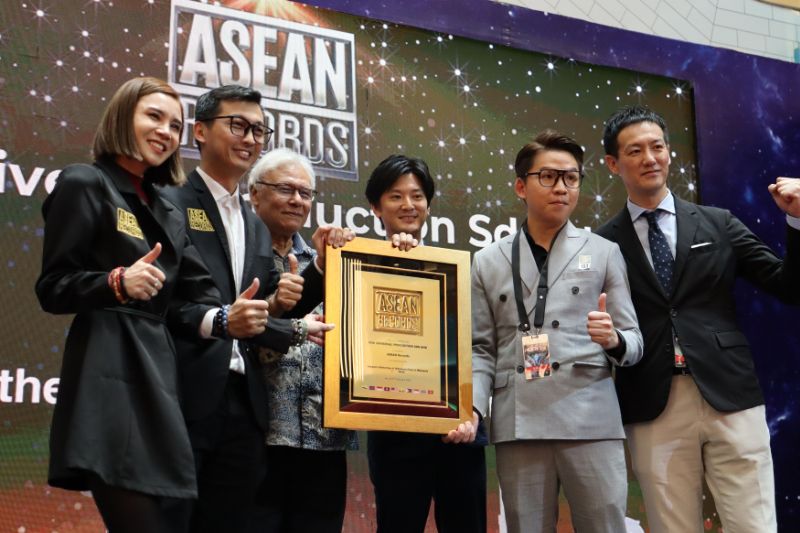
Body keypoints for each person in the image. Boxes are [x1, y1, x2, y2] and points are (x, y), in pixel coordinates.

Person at [34, 77, 230, 532]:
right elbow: (53, 287)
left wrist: (225, 316)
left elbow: (195, 297)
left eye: (175, 125)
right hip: (107, 368)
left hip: (161, 374)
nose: (166, 131)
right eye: (154, 117)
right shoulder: (85, 182)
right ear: (124, 117)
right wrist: (117, 283)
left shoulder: (168, 207)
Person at [596, 105, 800, 533]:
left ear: (670, 153)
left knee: (754, 524)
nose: (650, 158)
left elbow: (790, 285)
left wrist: (796, 220)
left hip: (731, 396)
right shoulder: (602, 244)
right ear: (614, 163)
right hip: (653, 402)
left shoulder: (718, 222)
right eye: (635, 151)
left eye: (657, 147)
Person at [161, 85, 345, 533]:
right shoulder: (168, 202)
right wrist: (225, 318)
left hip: (246, 409)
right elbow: (162, 304)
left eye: (258, 130)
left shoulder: (252, 225)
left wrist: (296, 317)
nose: (249, 138)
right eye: (238, 126)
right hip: (183, 393)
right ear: (200, 132)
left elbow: (265, 313)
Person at [471, 131, 643, 533]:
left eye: (572, 178)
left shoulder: (604, 252)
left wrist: (613, 339)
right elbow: (480, 348)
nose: (561, 188)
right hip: (519, 423)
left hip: (591, 419)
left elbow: (634, 341)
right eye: (548, 177)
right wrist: (475, 409)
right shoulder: (487, 260)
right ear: (521, 186)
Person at [364, 154, 487, 533]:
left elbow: (480, 346)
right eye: (395, 197)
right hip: (394, 432)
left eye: (416, 196)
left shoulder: (461, 269)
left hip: (458, 429)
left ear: (429, 205)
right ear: (376, 208)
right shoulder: (361, 267)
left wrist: (474, 410)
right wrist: (393, 264)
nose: (408, 205)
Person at [245, 148, 357, 533]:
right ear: (254, 194)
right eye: (286, 189)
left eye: (306, 193)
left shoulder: (331, 261)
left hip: (322, 441)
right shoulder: (237, 255)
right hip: (256, 440)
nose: (297, 200)